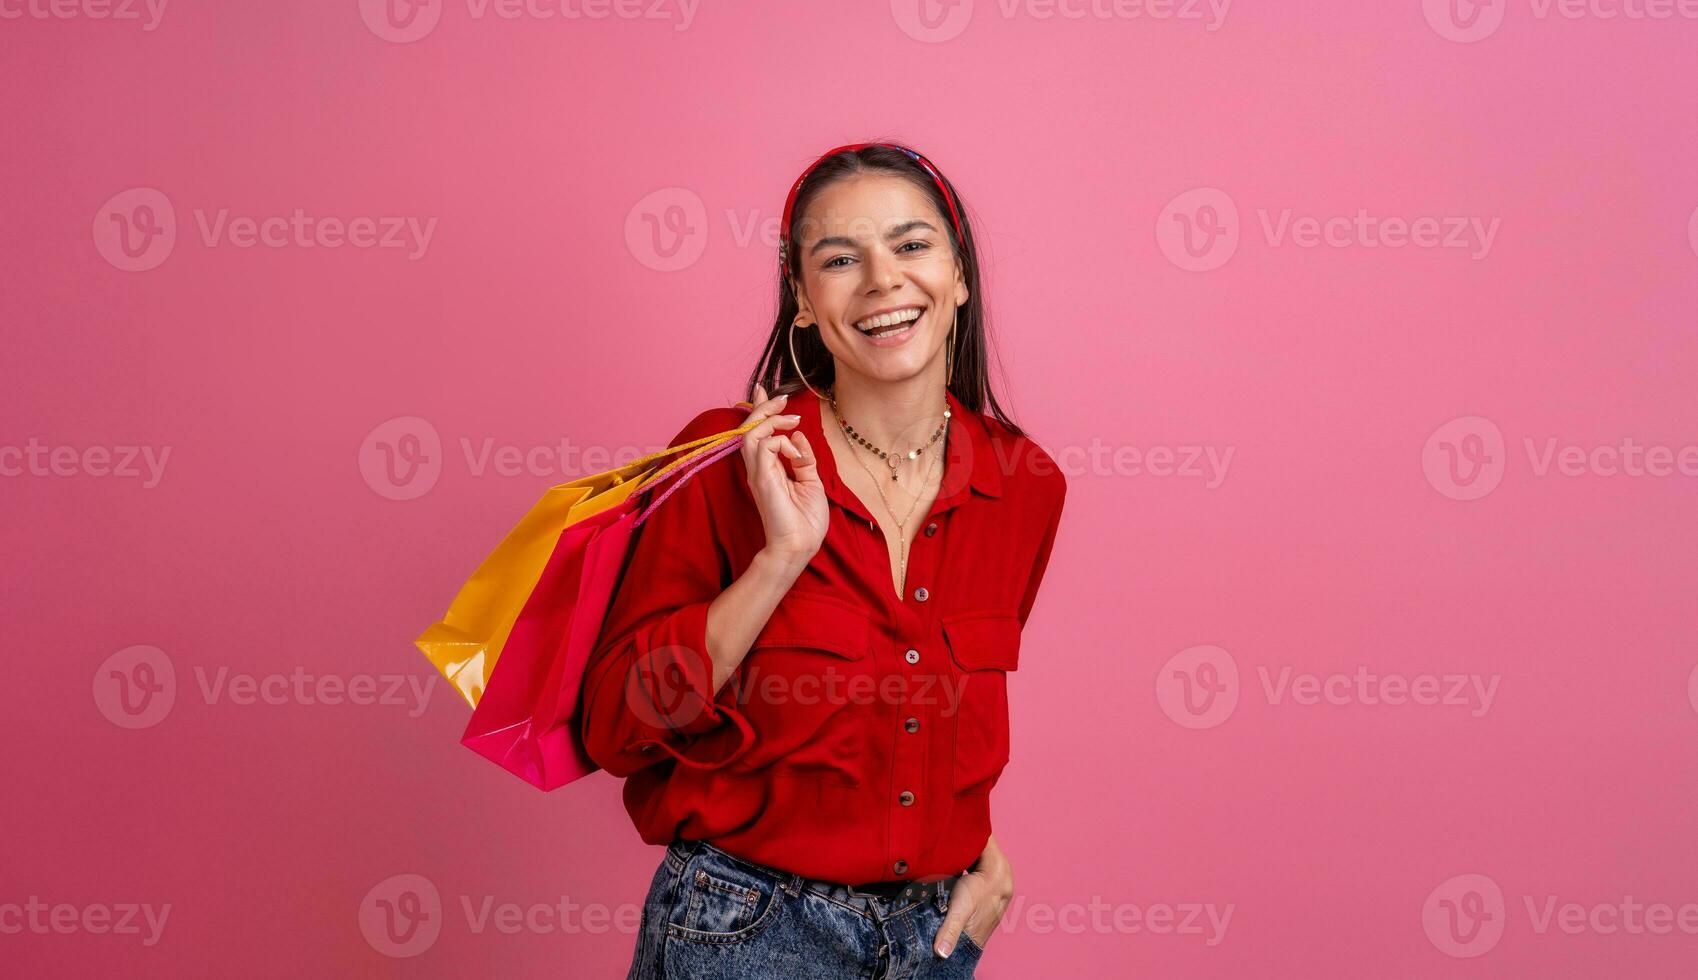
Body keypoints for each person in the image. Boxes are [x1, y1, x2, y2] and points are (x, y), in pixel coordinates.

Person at [579, 141, 1068, 979]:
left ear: (960, 276)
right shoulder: (727, 458)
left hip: (935, 939)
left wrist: (980, 841)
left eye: (912, 246)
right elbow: (620, 728)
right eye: (841, 259)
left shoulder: (1024, 483)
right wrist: (780, 559)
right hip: (746, 934)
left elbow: (922, 696)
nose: (882, 280)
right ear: (804, 300)